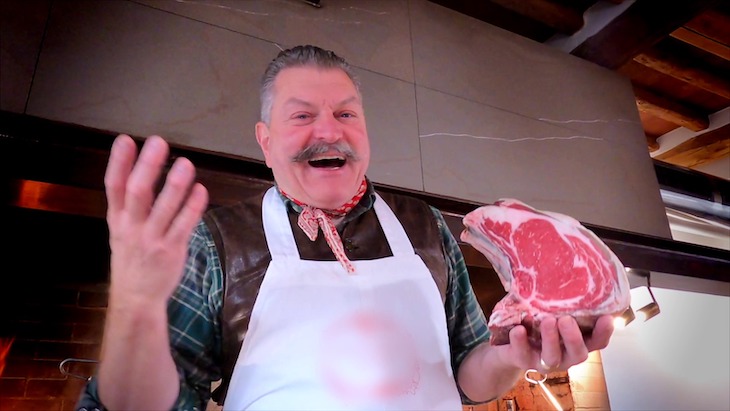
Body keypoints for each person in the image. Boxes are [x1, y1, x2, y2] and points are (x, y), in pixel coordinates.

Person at [80, 45, 614, 410]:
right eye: (301, 116)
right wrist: (135, 306)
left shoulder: (423, 227)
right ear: (265, 142)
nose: (328, 132)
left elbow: (469, 379)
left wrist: (509, 357)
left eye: (346, 114)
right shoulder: (220, 239)